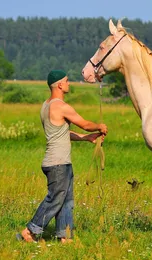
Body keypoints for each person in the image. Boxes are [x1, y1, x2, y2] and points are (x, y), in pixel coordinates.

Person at [18, 70, 108, 243]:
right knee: (55, 199)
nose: (69, 83)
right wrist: (99, 126)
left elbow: (62, 132)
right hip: (58, 164)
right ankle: (30, 231)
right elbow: (85, 124)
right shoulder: (60, 106)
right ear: (59, 85)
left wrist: (86, 138)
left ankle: (65, 237)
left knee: (67, 201)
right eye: (67, 81)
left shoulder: (46, 105)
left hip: (58, 163)